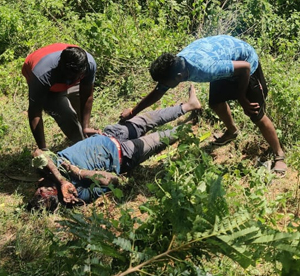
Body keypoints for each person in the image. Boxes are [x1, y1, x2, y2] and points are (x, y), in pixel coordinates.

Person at [119, 35, 287, 175]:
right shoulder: (177, 66)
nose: (163, 86)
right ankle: (232, 131)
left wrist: (242, 98)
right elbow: (158, 91)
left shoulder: (206, 69)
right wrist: (133, 112)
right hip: (225, 62)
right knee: (216, 103)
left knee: (255, 114)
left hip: (245, 63)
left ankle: (279, 155)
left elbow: (245, 68)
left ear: (178, 76)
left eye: (165, 82)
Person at [28, 86, 202, 209]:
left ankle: (189, 106)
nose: (46, 190)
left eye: (41, 191)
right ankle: (189, 126)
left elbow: (37, 152)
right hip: (123, 155)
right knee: (159, 139)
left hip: (109, 135)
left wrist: (61, 179)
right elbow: (113, 180)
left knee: (148, 119)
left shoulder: (47, 169)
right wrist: (78, 173)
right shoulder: (76, 194)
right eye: (50, 195)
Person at [22, 43, 99, 153]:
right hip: (44, 78)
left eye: (79, 76)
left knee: (79, 110)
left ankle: (83, 133)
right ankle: (80, 144)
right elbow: (35, 112)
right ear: (61, 68)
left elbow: (87, 96)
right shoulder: (42, 76)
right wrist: (43, 149)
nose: (71, 81)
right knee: (66, 116)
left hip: (66, 73)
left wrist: (85, 126)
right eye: (69, 77)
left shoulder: (89, 64)